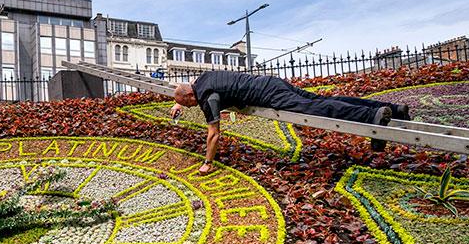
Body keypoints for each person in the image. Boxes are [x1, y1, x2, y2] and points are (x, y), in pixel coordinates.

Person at [169, 71, 410, 173]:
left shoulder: (207, 97)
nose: (192, 106)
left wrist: (208, 162)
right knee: (321, 99)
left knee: (318, 109)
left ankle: (372, 117)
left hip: (269, 95)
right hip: (271, 83)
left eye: (189, 104)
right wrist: (178, 102)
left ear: (192, 96)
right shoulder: (202, 80)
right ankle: (392, 110)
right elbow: (186, 89)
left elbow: (213, 134)